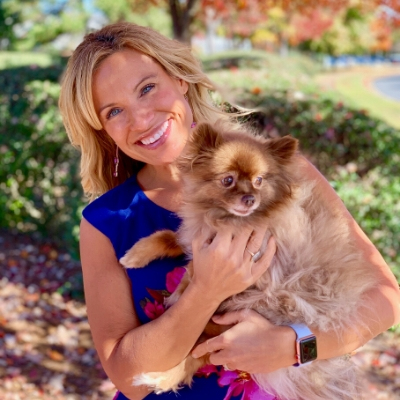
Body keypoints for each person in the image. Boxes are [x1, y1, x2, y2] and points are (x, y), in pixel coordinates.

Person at [59, 22, 400, 400]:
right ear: (102, 129)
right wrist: (205, 290)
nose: (141, 119)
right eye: (114, 111)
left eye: (148, 88)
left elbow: (386, 300)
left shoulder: (275, 171)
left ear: (179, 79)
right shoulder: (107, 221)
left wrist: (292, 345)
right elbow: (128, 378)